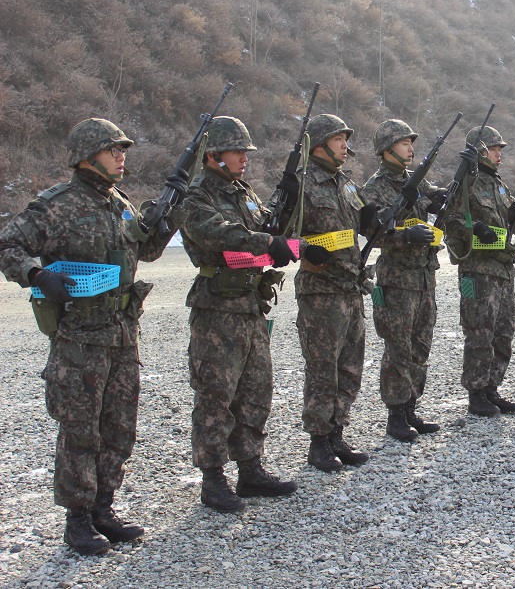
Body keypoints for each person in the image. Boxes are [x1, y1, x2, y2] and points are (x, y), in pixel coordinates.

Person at [0, 119, 178, 554]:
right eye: (112, 149)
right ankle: (77, 519)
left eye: (122, 150)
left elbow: (147, 251)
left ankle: (104, 507)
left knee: (120, 427)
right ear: (86, 156)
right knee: (81, 429)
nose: (121, 157)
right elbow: (7, 244)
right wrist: (36, 274)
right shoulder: (57, 206)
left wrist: (165, 217)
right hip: (79, 339)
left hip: (121, 334)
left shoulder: (119, 203)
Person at [178, 116, 299, 513]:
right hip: (217, 309)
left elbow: (267, 228)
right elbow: (220, 234)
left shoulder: (241, 190)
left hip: (250, 303)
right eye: (238, 152)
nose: (245, 158)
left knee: (255, 389)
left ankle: (250, 468)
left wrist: (286, 208)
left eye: (246, 152)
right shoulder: (197, 197)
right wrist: (267, 240)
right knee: (216, 395)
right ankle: (213, 479)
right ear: (214, 155)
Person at [296, 114, 377, 472]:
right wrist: (302, 247)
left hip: (350, 287)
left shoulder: (345, 184)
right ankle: (318, 441)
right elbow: (277, 231)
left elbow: (363, 221)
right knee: (322, 369)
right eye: (338, 139)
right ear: (319, 145)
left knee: (349, 367)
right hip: (321, 291)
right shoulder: (302, 185)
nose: (345, 145)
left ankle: (336, 433)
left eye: (345, 139)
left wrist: (376, 216)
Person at [363, 119, 446, 442]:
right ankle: (396, 414)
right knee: (398, 347)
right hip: (397, 279)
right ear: (386, 150)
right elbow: (371, 232)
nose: (410, 149)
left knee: (420, 345)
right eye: (403, 144)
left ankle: (411, 406)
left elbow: (435, 200)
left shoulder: (416, 181)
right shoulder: (375, 187)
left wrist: (442, 199)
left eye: (411, 143)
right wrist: (403, 234)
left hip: (424, 276)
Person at [443, 124, 515, 416]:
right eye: (494, 149)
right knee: (479, 332)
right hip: (478, 270)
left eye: (499, 149)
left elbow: (512, 218)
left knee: (503, 332)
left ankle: (493, 387)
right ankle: (477, 392)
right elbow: (449, 219)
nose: (499, 154)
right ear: (480, 151)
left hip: (503, 269)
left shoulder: (498, 184)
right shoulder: (466, 183)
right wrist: (475, 228)